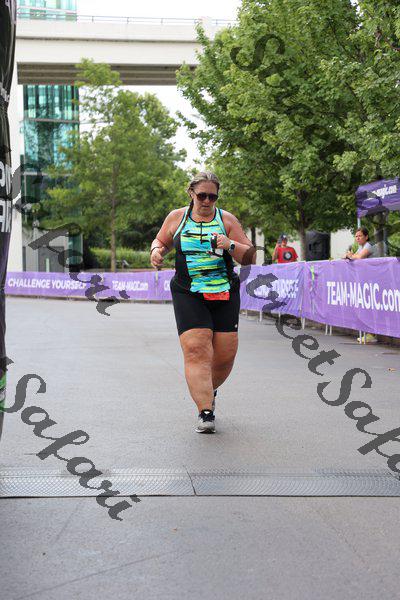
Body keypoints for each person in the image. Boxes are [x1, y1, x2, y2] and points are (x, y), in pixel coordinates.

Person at [150, 171, 256, 433]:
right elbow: (161, 240)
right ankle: (205, 411)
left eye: (212, 196)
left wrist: (230, 244)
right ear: (191, 194)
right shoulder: (177, 217)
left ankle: (208, 390)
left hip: (224, 292)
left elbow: (250, 257)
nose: (207, 201)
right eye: (202, 196)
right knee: (196, 349)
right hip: (189, 292)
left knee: (225, 356)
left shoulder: (226, 220)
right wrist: (156, 251)